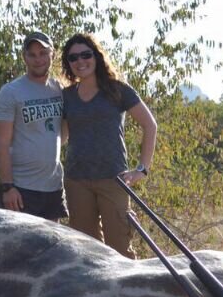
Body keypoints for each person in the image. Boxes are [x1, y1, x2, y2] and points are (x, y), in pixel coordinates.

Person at [60, 33, 157, 258]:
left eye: (86, 55)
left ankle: (129, 294)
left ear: (97, 57)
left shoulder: (118, 90)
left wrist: (142, 169)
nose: (80, 61)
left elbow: (150, 125)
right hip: (77, 181)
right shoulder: (65, 96)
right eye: (73, 58)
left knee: (120, 250)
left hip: (114, 179)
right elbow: (61, 136)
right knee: (85, 251)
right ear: (68, 64)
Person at [0, 30, 67, 221]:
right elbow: (1, 143)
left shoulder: (60, 90)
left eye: (43, 53)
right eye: (32, 54)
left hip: (53, 188)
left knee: (50, 249)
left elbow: (64, 135)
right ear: (24, 57)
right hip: (21, 190)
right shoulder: (11, 92)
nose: (38, 59)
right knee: (17, 249)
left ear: (53, 54)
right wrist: (8, 187)